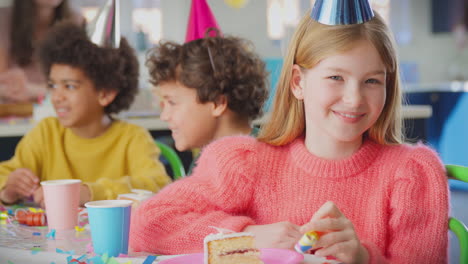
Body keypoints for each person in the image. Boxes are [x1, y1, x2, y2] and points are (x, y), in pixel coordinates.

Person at [129, 10, 448, 264]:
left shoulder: (413, 173)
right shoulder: (243, 162)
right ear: (298, 82)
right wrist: (247, 237)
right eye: (336, 77)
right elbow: (148, 224)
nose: (354, 98)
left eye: (372, 81)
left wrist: (364, 258)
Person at [0, 22, 171, 207]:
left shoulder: (132, 138)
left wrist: (91, 193)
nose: (56, 97)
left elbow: (157, 184)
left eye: (70, 86)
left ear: (105, 94)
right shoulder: (46, 133)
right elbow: (6, 174)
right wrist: (9, 189)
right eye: (53, 85)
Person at [147, 31, 268, 174]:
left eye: (172, 102)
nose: (164, 116)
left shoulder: (257, 164)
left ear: (217, 103)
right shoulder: (205, 158)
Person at [0, 0, 84, 103]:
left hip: (56, 109)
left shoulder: (75, 20)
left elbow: (76, 85)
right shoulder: (4, 18)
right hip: (13, 110)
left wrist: (32, 90)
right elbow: (3, 82)